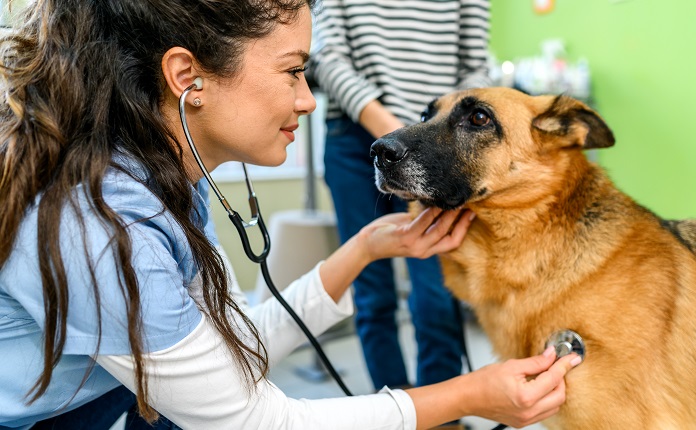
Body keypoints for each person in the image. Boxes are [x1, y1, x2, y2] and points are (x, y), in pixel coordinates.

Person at [0, 1, 580, 429]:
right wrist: (464, 396)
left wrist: (366, 249)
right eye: (293, 71)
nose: (308, 97)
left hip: (92, 401)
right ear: (187, 78)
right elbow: (252, 419)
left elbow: (232, 350)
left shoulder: (166, 180)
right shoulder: (104, 223)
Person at [309, 0, 494, 402]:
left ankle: (442, 410)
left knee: (439, 287)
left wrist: (433, 134)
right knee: (372, 289)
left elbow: (475, 65)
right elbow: (326, 56)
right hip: (357, 133)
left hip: (440, 137)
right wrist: (396, 135)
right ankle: (391, 404)